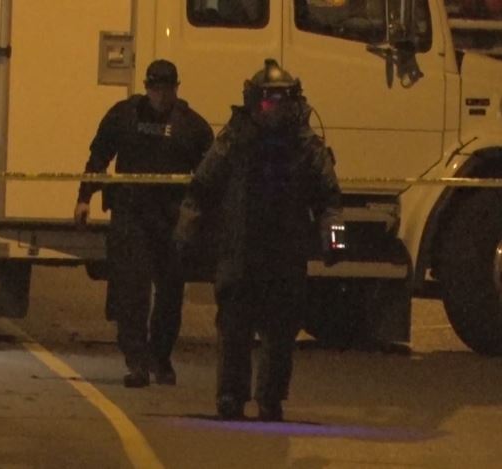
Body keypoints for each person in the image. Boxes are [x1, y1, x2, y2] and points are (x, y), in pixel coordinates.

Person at [175, 59, 343, 421]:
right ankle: (230, 396)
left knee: (280, 334)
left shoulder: (306, 147)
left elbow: (329, 200)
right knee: (234, 330)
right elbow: (201, 188)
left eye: (281, 102)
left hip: (285, 255)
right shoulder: (234, 140)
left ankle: (271, 398)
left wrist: (335, 242)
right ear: (254, 101)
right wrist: (185, 233)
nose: (274, 110)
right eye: (268, 102)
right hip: (240, 252)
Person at [74, 59, 214, 388]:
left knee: (170, 295)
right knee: (132, 292)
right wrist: (84, 197)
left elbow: (209, 175)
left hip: (171, 220)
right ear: (147, 87)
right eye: (155, 89)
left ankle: (160, 357)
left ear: (176, 89)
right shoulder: (124, 116)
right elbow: (99, 157)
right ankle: (137, 362)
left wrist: (204, 217)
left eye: (167, 89)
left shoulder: (192, 126)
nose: (161, 96)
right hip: (131, 216)